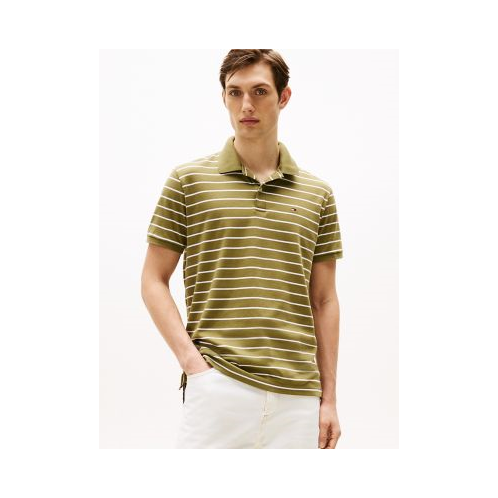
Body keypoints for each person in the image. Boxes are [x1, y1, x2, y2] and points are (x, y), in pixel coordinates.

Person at [141, 49, 343, 449]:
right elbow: (153, 279)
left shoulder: (317, 194)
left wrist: (329, 399)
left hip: (298, 398)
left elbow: (324, 300)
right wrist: (193, 365)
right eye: (235, 92)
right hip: (219, 386)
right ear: (224, 97)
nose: (246, 104)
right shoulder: (188, 181)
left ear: (284, 97)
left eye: (260, 91)